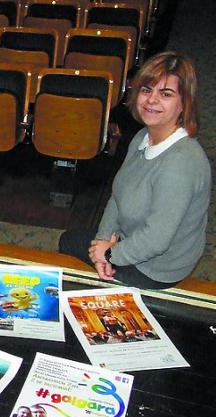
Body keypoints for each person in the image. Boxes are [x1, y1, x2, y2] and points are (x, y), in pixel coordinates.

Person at [58, 51, 211, 289]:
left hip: (157, 268)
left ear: (184, 103)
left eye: (166, 93)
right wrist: (103, 242)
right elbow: (118, 197)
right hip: (128, 242)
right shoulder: (143, 137)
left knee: (67, 242)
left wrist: (110, 255)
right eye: (146, 90)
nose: (151, 100)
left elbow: (156, 240)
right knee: (82, 243)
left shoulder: (181, 163)